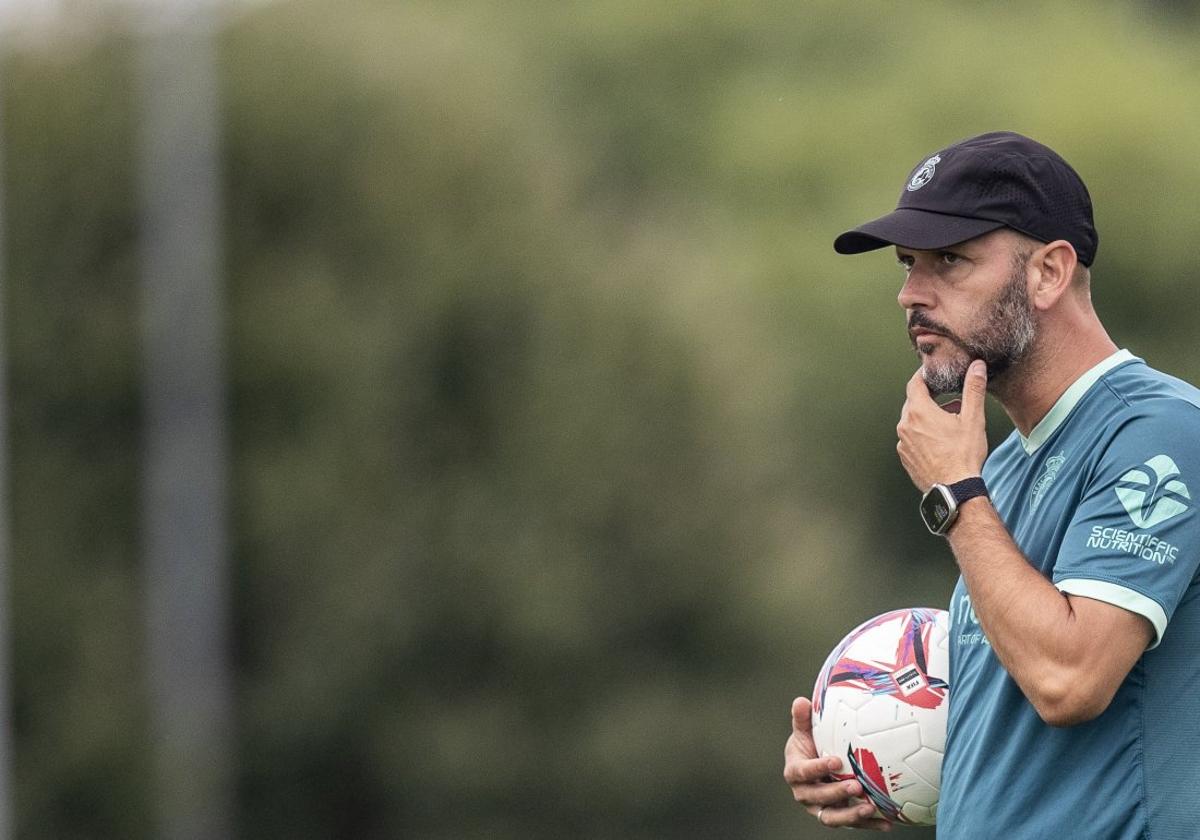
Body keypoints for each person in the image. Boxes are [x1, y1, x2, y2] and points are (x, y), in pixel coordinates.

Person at [783, 131, 1200, 838]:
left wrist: (954, 492)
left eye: (950, 260)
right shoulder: (994, 470)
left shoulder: (1162, 432)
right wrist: (861, 756)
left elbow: (1070, 680)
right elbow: (1026, 744)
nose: (910, 293)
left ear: (1049, 272)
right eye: (908, 263)